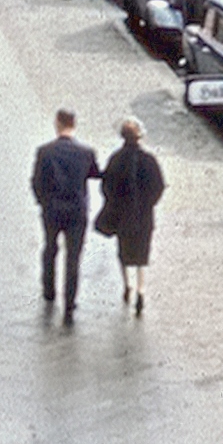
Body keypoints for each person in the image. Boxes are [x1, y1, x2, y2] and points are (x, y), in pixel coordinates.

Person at [31, 109, 100, 324]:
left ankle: (49, 290)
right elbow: (95, 173)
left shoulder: (45, 152)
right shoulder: (86, 152)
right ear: (74, 124)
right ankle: (69, 304)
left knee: (50, 249)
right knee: (73, 258)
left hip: (52, 209)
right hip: (77, 212)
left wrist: (43, 202)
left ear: (58, 124)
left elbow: (36, 182)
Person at [97, 117, 165, 315]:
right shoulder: (149, 160)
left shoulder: (116, 159)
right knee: (142, 252)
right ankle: (141, 289)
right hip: (143, 215)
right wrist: (148, 204)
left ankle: (127, 285)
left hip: (122, 214)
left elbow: (106, 186)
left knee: (124, 251)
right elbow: (158, 186)